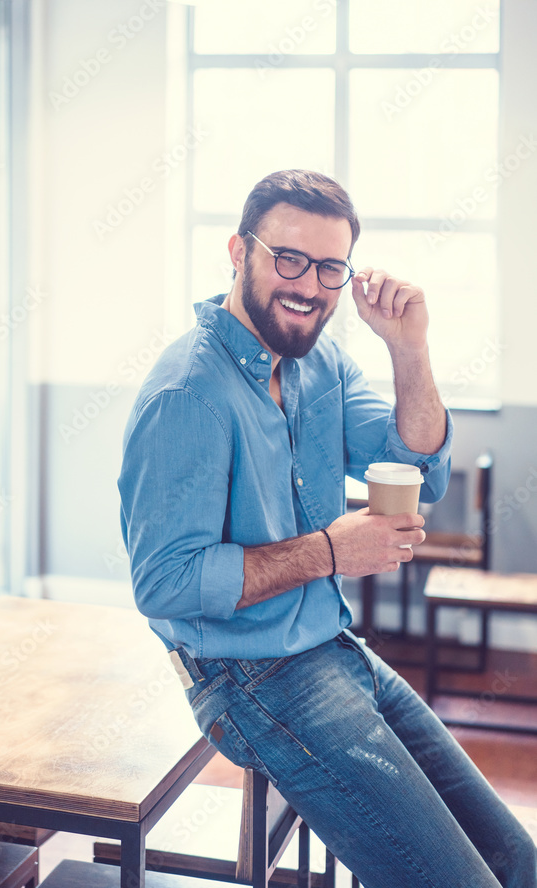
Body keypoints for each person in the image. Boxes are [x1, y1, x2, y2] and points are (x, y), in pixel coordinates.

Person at [118, 169, 535, 888]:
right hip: (248, 681)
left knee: (518, 861)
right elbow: (163, 584)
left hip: (331, 649)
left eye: (328, 268)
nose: (307, 285)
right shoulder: (188, 393)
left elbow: (419, 467)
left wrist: (408, 347)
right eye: (287, 258)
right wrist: (330, 551)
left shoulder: (320, 366)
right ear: (236, 251)